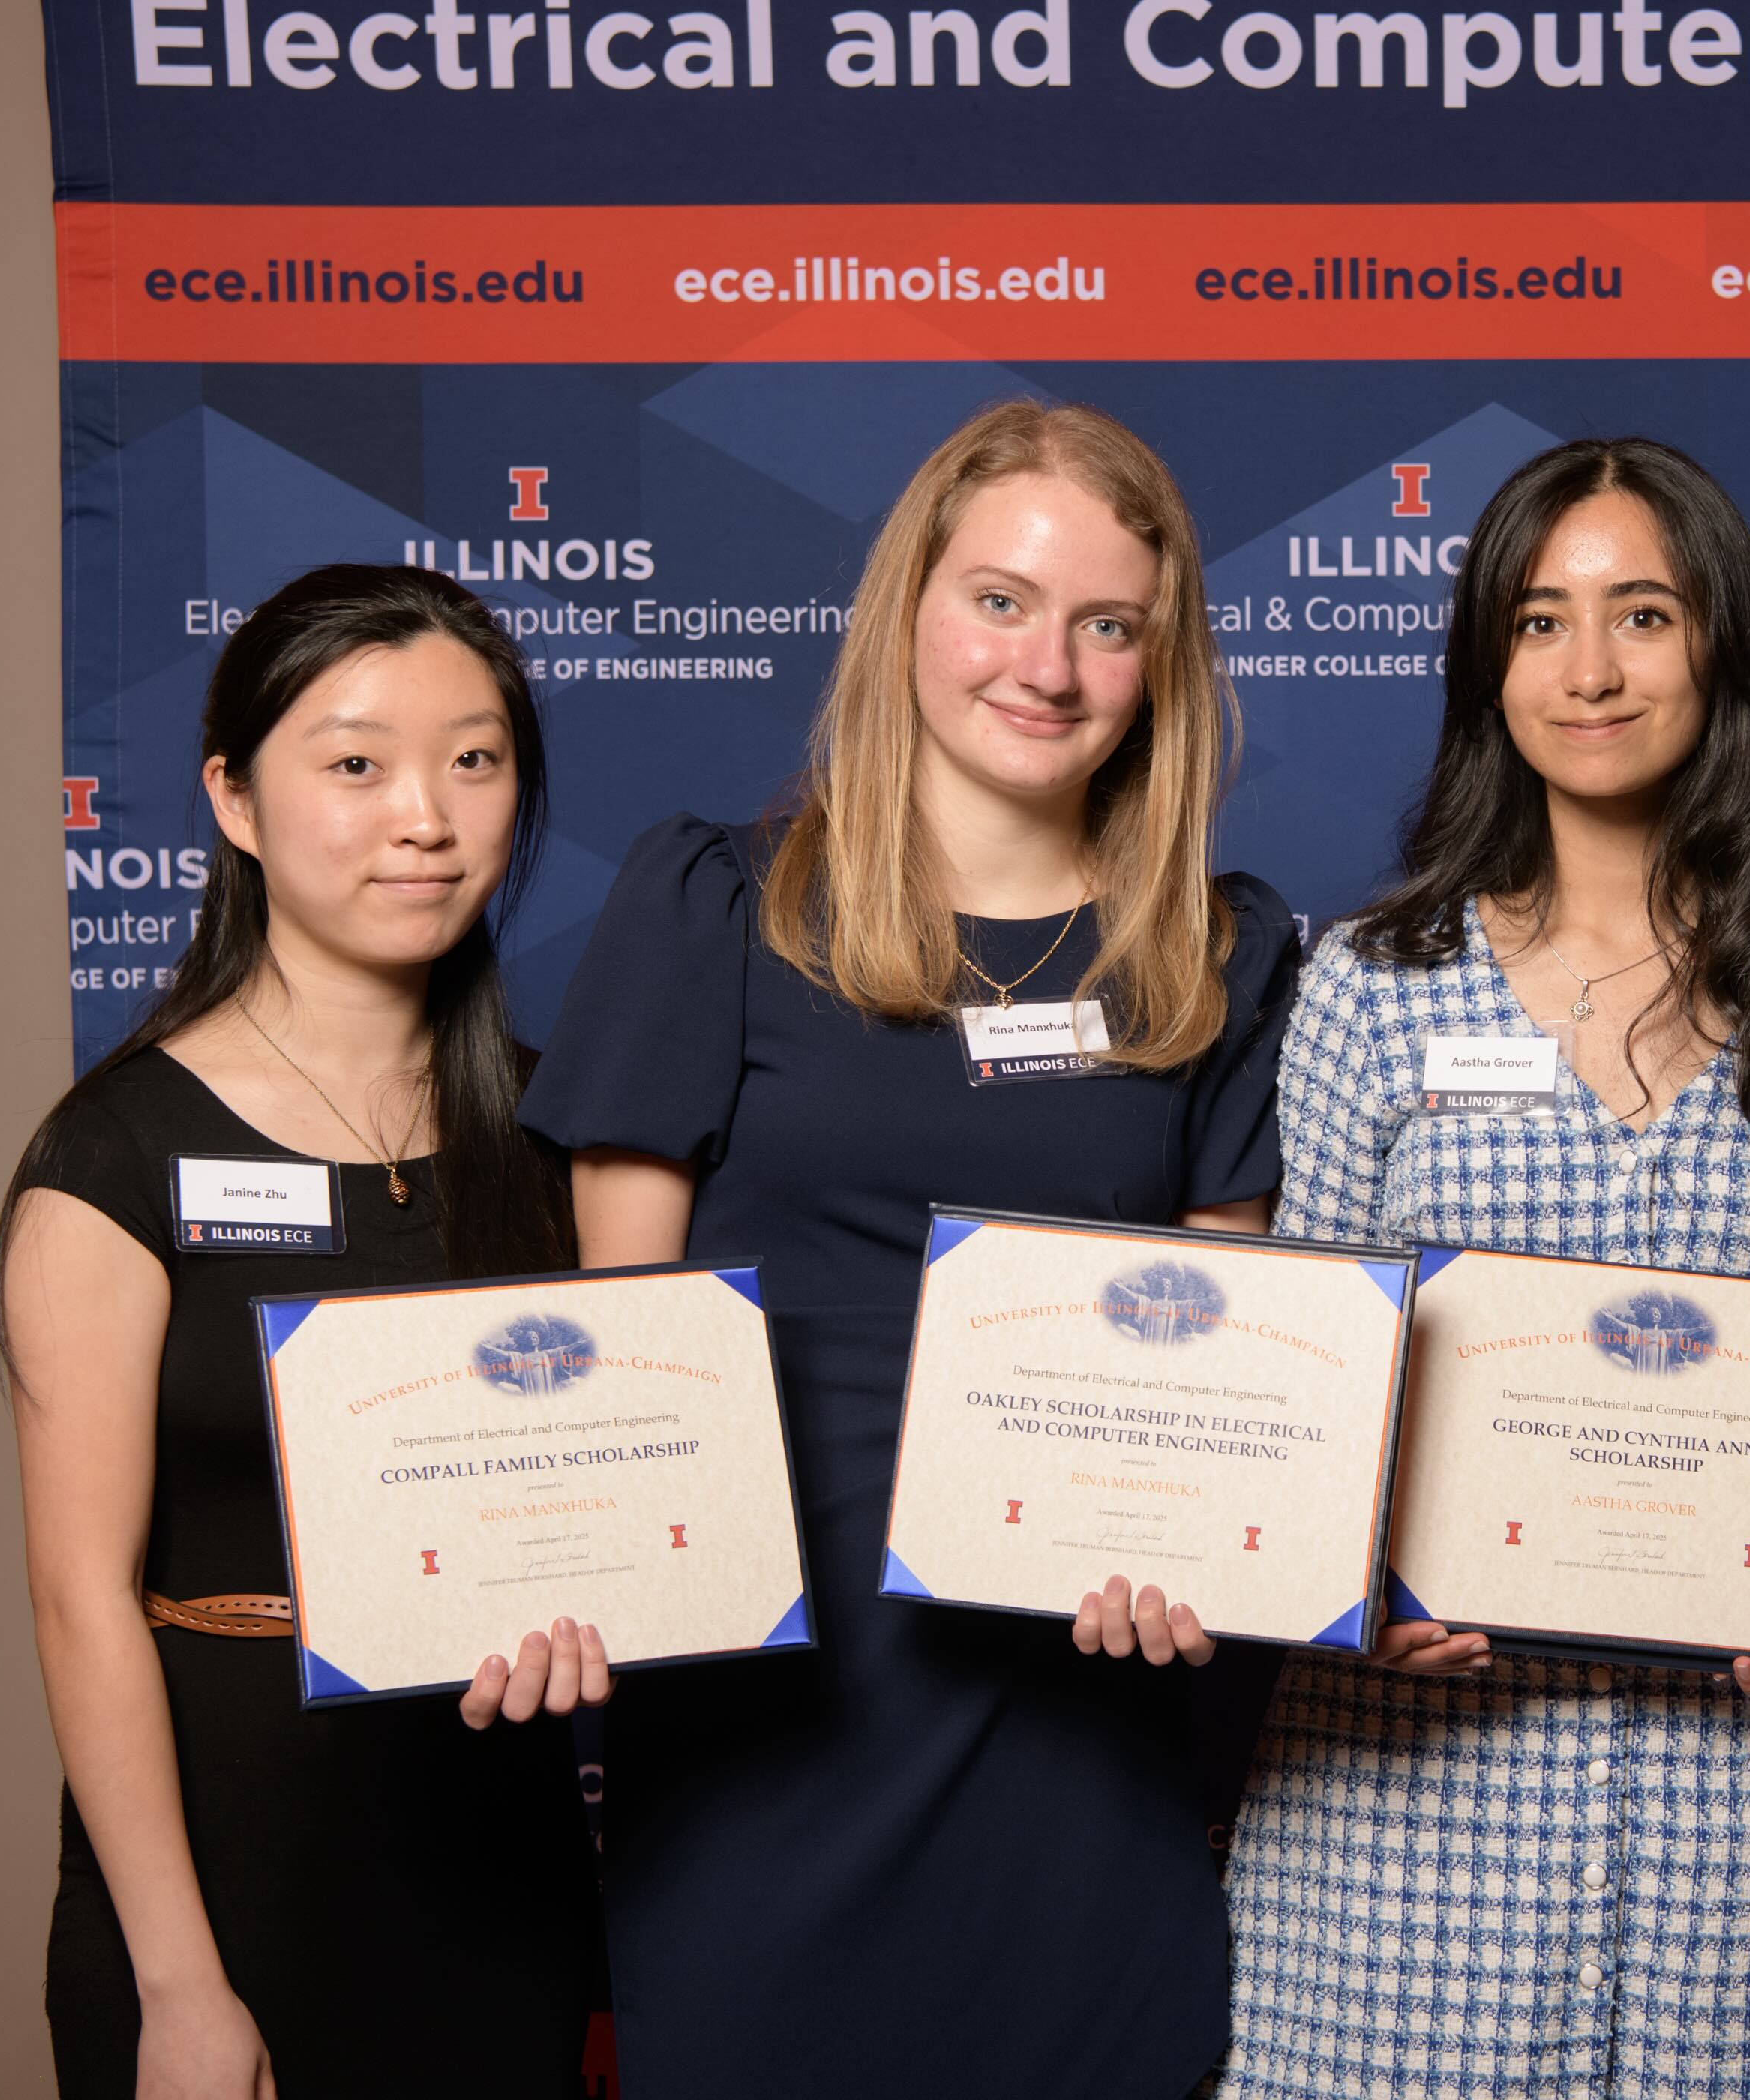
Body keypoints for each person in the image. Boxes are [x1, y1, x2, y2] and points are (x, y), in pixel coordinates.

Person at [517, 400, 1297, 2096]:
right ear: (910, 608)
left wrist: (1206, 1561)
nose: (1049, 667)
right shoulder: (717, 905)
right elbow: (619, 1368)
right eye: (1001, 601)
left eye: (1109, 625)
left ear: (1162, 663)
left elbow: (1231, 1383)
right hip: (765, 1740)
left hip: (1081, 1743)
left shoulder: (1221, 958)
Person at [1217, 436, 1750, 2097]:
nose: (1592, 669)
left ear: (1720, 645)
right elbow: (1307, 1363)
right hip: (1409, 1809)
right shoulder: (1370, 989)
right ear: (1492, 664)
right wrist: (1349, 1581)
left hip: (1734, 1808)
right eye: (1541, 621)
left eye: (1644, 615)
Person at [0, 565, 602, 2098]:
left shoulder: (568, 1140)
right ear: (235, 801)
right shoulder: (117, 1153)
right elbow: (79, 1599)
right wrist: (180, 1986)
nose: (425, 817)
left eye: (475, 759)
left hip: (501, 1891)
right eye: (356, 764)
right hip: (220, 1903)